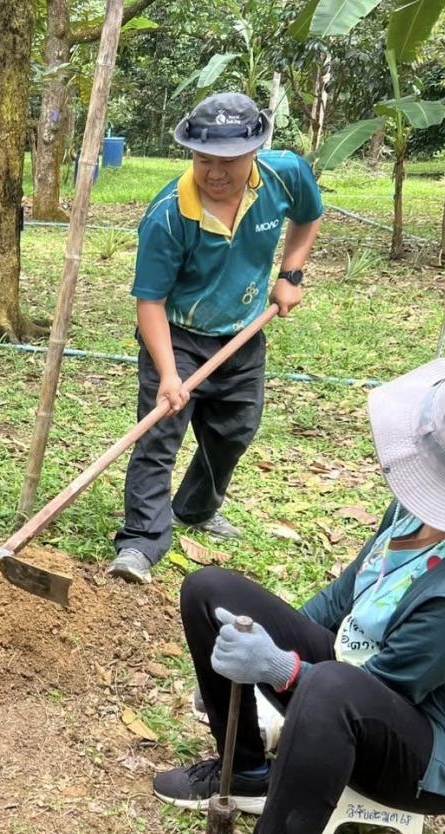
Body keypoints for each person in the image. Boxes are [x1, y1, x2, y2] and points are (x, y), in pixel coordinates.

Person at [156, 358, 445, 834]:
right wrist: (260, 643)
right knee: (211, 591)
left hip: (430, 749)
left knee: (328, 689)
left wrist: (274, 672)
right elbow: (341, 601)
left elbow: (384, 688)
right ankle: (249, 772)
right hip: (355, 677)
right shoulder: (418, 511)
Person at [109, 92, 323, 585]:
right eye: (205, 159)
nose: (216, 172)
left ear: (255, 151)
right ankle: (141, 542)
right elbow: (150, 303)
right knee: (158, 435)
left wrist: (292, 274)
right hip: (179, 335)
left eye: (229, 160)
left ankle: (196, 508)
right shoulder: (168, 215)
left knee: (234, 432)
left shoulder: (284, 174)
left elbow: (308, 216)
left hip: (244, 332)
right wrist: (167, 374)